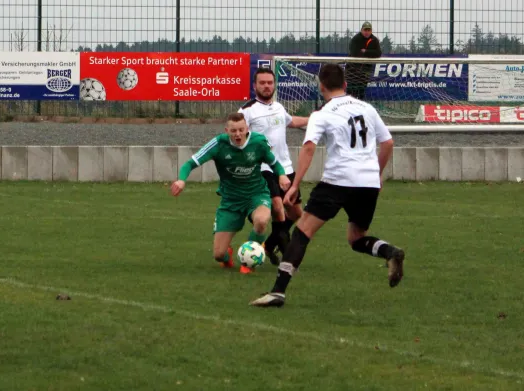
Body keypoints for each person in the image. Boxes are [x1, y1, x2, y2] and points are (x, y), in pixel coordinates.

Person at [249, 63, 405, 307]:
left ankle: (278, 292)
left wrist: (294, 185)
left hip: (338, 180)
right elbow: (388, 143)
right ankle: (389, 252)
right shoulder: (367, 107)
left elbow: (309, 148)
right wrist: (377, 174)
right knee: (356, 238)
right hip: (368, 183)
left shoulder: (322, 113)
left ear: (321, 86)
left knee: (302, 232)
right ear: (345, 84)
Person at [171, 112, 291, 274]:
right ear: (226, 130)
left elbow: (275, 164)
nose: (238, 134)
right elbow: (189, 164)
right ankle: (228, 256)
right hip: (230, 201)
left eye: (241, 130)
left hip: (256, 194)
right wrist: (181, 180)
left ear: (247, 128)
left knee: (262, 221)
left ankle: (249, 260)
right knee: (218, 254)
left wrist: (282, 175)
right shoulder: (218, 144)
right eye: (233, 131)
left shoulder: (258, 142)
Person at [238, 67, 310, 266]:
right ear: (255, 86)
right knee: (278, 208)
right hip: (263, 169)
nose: (267, 86)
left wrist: (314, 118)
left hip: (285, 168)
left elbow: (291, 122)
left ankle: (267, 246)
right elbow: (236, 136)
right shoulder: (247, 110)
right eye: (262, 83)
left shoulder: (278, 107)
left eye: (270, 82)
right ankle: (288, 259)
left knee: (296, 214)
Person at [345, 21, 382, 100]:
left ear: (371, 31)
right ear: (361, 30)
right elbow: (354, 53)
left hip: (364, 72)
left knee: (361, 94)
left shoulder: (374, 40)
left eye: (369, 30)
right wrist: (370, 54)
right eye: (365, 30)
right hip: (352, 72)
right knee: (351, 95)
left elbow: (378, 53)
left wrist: (365, 51)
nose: (367, 32)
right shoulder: (356, 39)